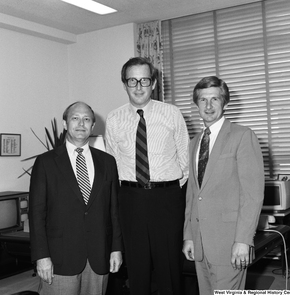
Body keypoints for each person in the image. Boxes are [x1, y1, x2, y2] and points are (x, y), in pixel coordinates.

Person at [105, 57, 189, 295]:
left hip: (167, 199)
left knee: (169, 270)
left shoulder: (172, 113)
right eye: (132, 80)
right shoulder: (114, 118)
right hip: (131, 199)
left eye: (144, 80)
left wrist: (168, 188)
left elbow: (185, 160)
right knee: (137, 270)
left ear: (153, 84)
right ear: (124, 84)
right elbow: (112, 161)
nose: (139, 86)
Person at [29, 101, 123, 295]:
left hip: (99, 257)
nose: (81, 123)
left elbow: (114, 211)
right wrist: (41, 257)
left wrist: (116, 249)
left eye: (87, 119)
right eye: (75, 118)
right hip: (59, 258)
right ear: (65, 124)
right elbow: (36, 214)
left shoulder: (108, 162)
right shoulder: (46, 162)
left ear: (93, 125)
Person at [182, 76, 264, 293]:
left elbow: (252, 195)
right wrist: (189, 236)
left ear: (224, 102)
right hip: (200, 243)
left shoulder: (242, 136)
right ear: (196, 104)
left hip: (229, 243)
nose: (208, 106)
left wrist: (243, 240)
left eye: (214, 99)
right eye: (202, 100)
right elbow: (193, 194)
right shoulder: (193, 143)